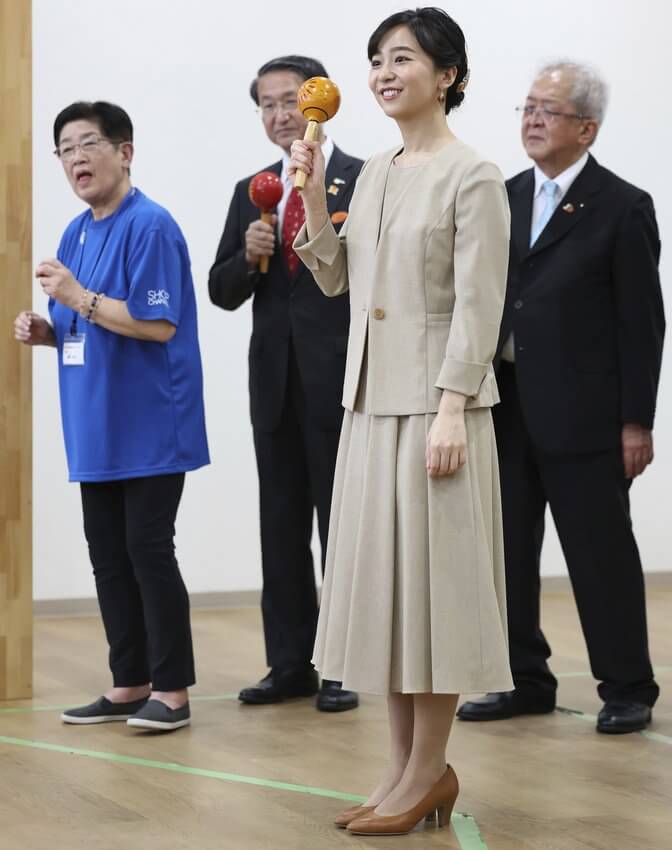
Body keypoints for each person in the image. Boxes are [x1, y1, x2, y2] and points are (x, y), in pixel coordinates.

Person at [290, 8, 512, 835]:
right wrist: (312, 195)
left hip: (435, 411)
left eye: (404, 58)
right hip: (369, 408)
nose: (385, 72)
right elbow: (335, 278)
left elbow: (479, 306)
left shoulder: (474, 174)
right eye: (377, 59)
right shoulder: (375, 170)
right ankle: (400, 772)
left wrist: (453, 406)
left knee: (438, 600)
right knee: (388, 602)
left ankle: (428, 771)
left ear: (448, 74)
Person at [457, 62, 665, 734]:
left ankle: (627, 686)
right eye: (527, 107)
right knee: (507, 553)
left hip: (586, 417)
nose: (533, 120)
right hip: (507, 407)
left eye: (549, 109)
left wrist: (637, 420)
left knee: (600, 554)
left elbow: (643, 323)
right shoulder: (504, 194)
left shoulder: (622, 205)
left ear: (587, 127)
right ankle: (523, 679)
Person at [14, 101, 209, 732]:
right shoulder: (76, 232)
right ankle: (129, 682)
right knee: (108, 555)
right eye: (65, 148)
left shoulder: (150, 225)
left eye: (88, 143)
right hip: (95, 426)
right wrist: (48, 328)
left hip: (151, 423)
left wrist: (74, 296)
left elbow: (155, 324)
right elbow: (85, 327)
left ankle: (172, 692)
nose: (76, 158)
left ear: (124, 152)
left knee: (148, 549)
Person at [208, 56, 362, 712]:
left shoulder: (361, 180)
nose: (278, 115)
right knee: (281, 527)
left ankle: (342, 666)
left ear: (319, 103)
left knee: (343, 529)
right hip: (274, 385)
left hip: (342, 384)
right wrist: (249, 254)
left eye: (288, 101)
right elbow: (220, 292)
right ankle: (288, 665)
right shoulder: (253, 189)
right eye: (266, 104)